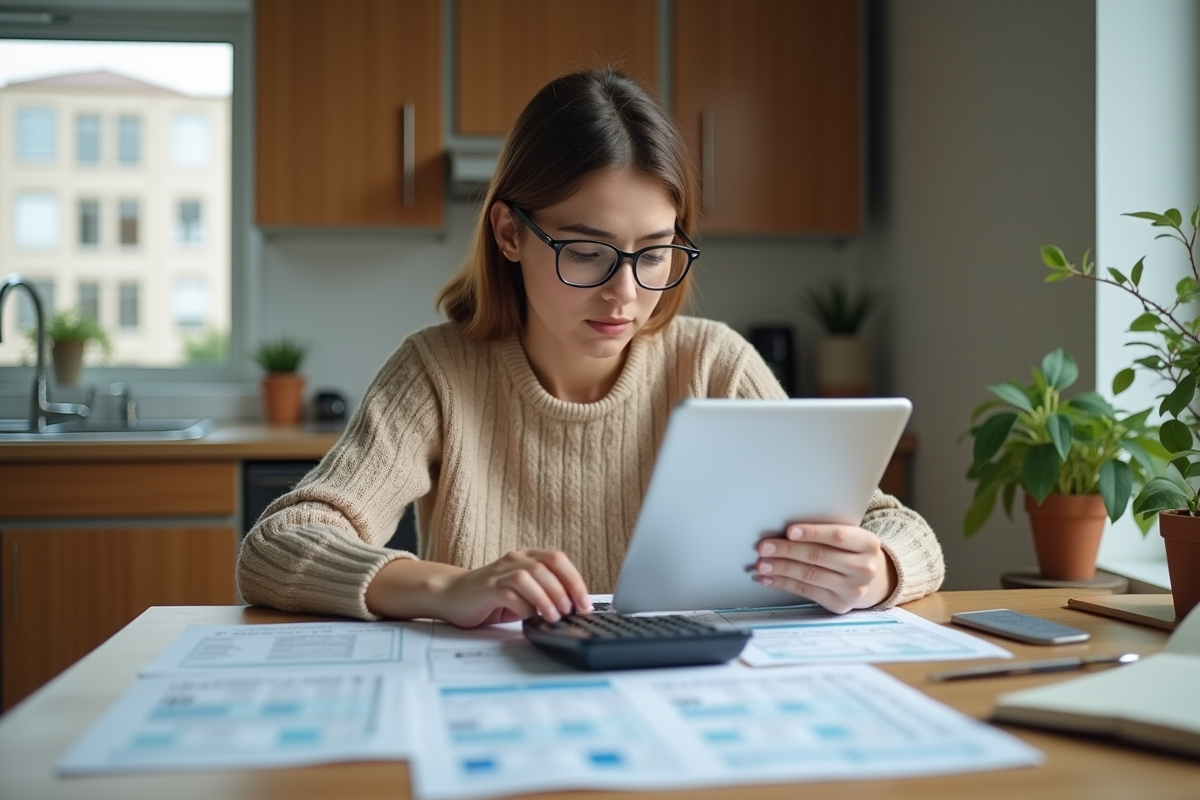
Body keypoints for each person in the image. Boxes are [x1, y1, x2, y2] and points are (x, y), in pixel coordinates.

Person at [237, 69, 945, 628]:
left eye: (655, 253)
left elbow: (899, 527)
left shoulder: (715, 363)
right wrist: (448, 588)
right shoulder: (438, 371)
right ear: (510, 235)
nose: (625, 295)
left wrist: (878, 568)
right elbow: (276, 547)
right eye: (586, 251)